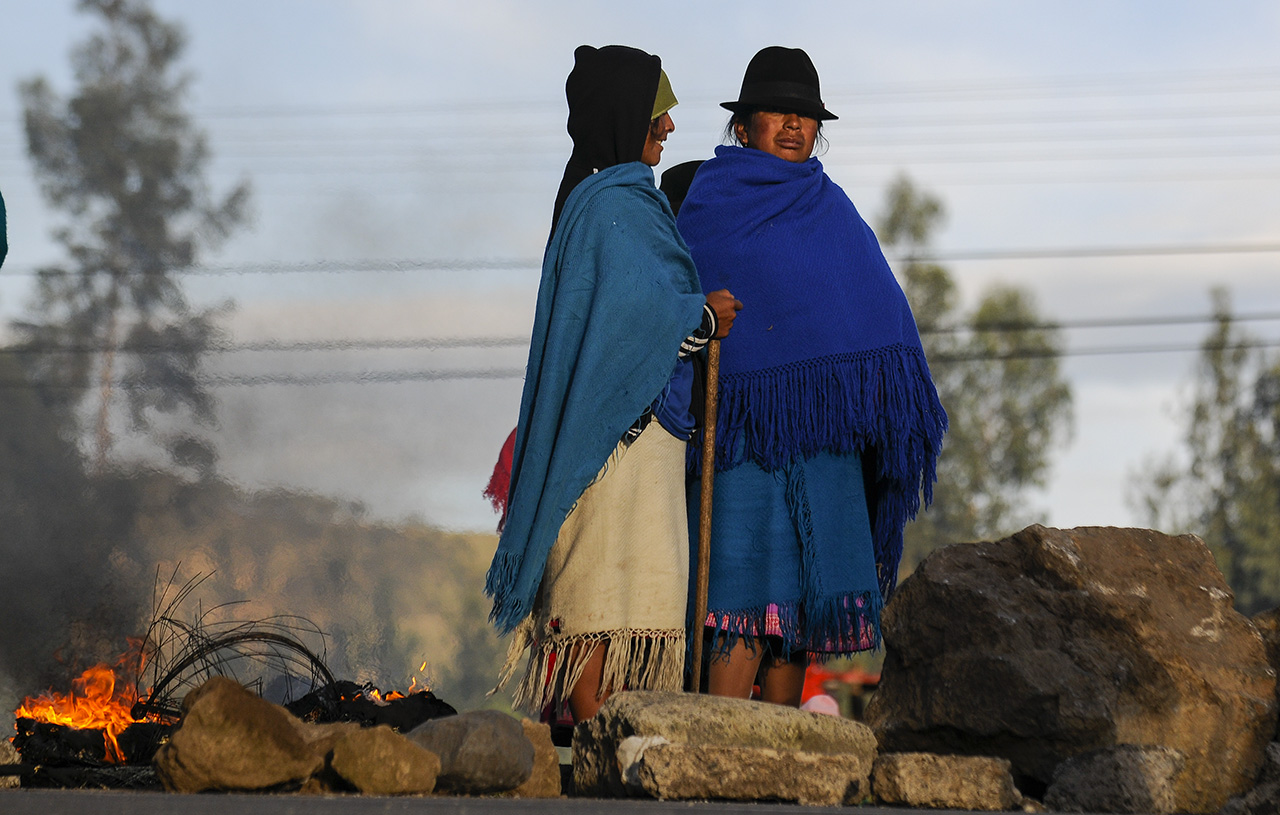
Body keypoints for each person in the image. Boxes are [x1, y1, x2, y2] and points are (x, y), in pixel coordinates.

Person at [676, 46, 947, 705]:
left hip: (824, 449)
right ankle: (716, 755)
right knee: (737, 600)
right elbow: (672, 305)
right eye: (778, 111)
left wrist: (874, 406)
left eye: (805, 114)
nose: (795, 125)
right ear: (743, 126)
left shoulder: (834, 212)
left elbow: (877, 316)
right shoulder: (706, 205)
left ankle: (779, 771)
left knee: (798, 606)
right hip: (739, 447)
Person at [484, 45, 741, 723]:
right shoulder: (608, 209)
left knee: (638, 590)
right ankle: (599, 726)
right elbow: (632, 319)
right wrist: (704, 315)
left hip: (649, 433)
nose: (669, 129)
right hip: (612, 438)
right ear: (625, 116)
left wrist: (693, 316)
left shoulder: (618, 201)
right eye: (658, 114)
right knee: (598, 585)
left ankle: (615, 727)